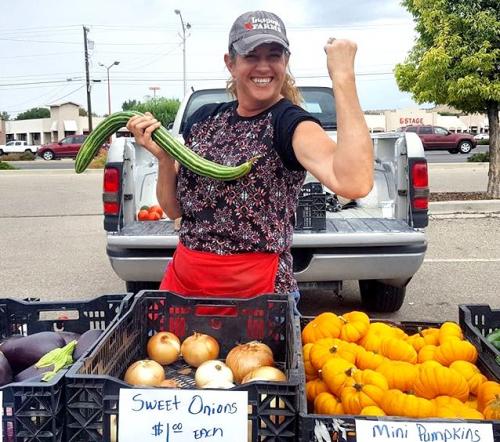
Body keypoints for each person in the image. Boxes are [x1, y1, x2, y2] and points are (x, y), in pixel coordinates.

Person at [126, 10, 373, 302]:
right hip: (187, 283)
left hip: (258, 295)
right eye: (251, 56)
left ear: (286, 61)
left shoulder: (290, 124)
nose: (264, 66)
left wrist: (343, 77)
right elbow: (175, 211)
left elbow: (355, 182)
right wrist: (164, 159)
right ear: (230, 63)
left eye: (274, 55)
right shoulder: (205, 120)